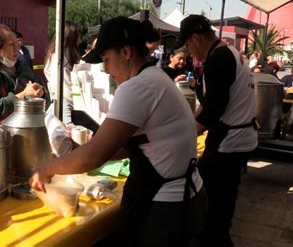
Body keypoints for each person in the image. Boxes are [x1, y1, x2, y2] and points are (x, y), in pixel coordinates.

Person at [30, 16, 207, 246]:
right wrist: (78, 153)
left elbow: (96, 155)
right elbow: (124, 146)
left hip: (166, 206)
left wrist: (48, 168)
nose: (104, 69)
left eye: (106, 59)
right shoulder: (156, 78)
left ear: (125, 52)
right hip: (185, 197)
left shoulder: (138, 87)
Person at [177, 14, 258, 247]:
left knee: (213, 206)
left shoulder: (218, 58)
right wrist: (190, 124)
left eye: (188, 45)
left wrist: (182, 137)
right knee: (220, 201)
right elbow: (211, 101)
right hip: (238, 138)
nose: (190, 52)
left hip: (229, 141)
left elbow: (213, 110)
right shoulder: (227, 52)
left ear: (195, 38)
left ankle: (215, 239)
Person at [44, 21, 82, 124]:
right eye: (78, 37)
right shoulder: (59, 59)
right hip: (65, 105)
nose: (80, 41)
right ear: (70, 38)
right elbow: (66, 91)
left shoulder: (62, 57)